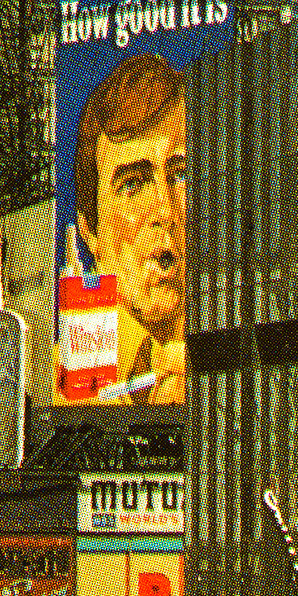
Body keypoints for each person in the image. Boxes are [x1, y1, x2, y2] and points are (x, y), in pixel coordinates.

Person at [70, 51, 189, 404]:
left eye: (181, 174)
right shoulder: (80, 372)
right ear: (90, 232)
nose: (166, 210)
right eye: (133, 184)